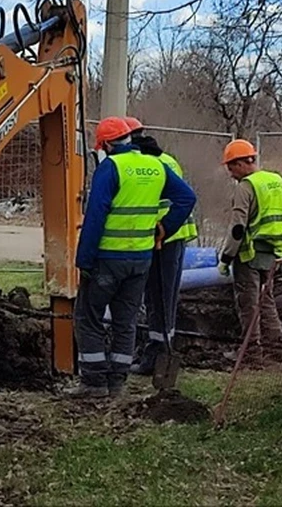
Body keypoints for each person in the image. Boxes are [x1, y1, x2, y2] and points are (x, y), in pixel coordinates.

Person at [70, 117, 197, 398]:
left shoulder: (111, 168)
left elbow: (95, 216)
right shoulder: (156, 165)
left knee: (88, 317)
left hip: (107, 258)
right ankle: (117, 383)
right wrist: (164, 228)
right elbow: (187, 197)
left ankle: (93, 383)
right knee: (125, 322)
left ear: (104, 144)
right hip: (140, 260)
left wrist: (84, 260)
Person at [123, 117, 199, 375]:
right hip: (170, 237)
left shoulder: (148, 163)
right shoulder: (167, 160)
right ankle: (158, 350)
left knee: (159, 298)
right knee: (161, 297)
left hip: (162, 238)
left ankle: (158, 354)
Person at [218, 139, 282, 362]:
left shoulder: (246, 186)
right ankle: (278, 348)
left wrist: (226, 257)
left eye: (231, 167)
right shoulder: (276, 180)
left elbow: (238, 227)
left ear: (241, 163)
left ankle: (251, 352)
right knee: (267, 299)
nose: (230, 173)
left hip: (249, 253)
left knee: (248, 303)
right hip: (273, 251)